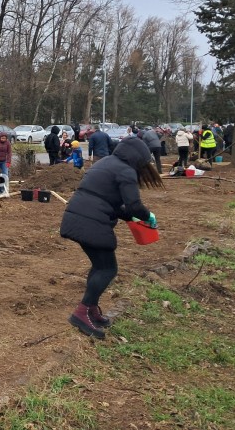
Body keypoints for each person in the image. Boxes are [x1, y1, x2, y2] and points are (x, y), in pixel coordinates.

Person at [59, 138, 162, 339]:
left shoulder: (105, 162)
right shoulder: (126, 171)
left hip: (75, 216)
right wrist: (147, 216)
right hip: (91, 222)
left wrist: (130, 216)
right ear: (139, 158)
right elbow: (133, 205)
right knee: (108, 268)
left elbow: (110, 202)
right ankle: (82, 312)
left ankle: (92, 310)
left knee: (99, 266)